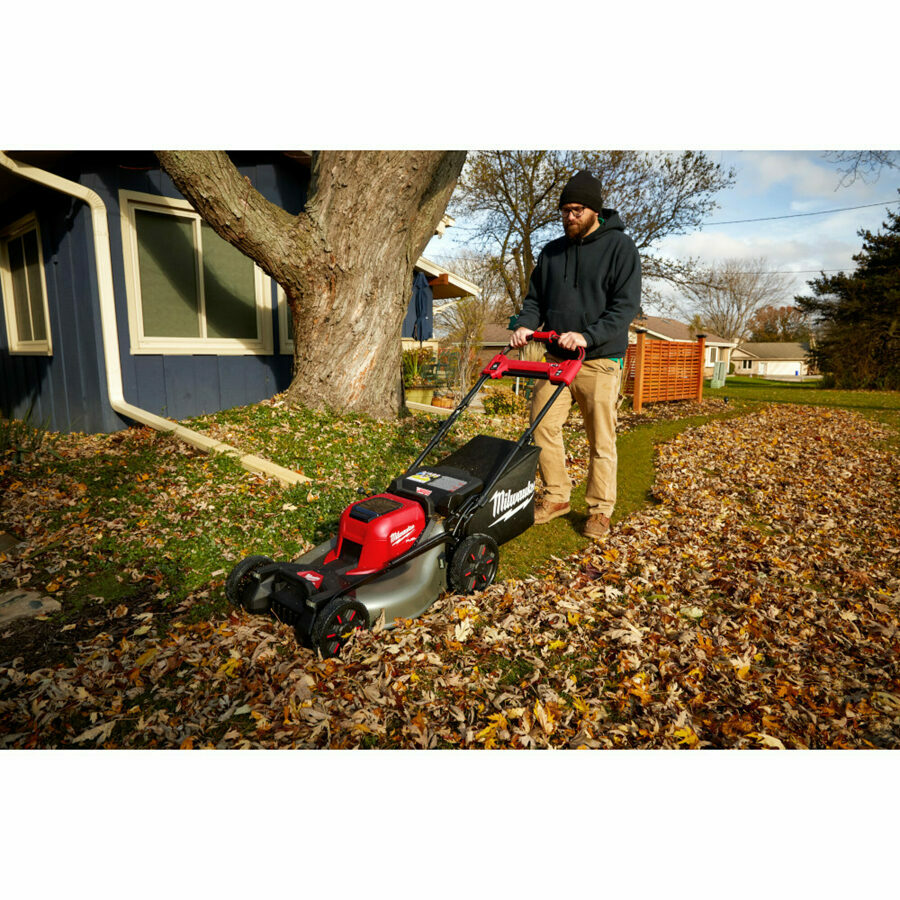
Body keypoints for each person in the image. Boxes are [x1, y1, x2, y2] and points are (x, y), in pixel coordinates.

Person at [510, 170, 641, 540]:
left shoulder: (620, 248)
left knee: (601, 439)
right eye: (565, 210)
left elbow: (624, 307)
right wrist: (525, 324)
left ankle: (600, 510)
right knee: (541, 427)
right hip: (556, 359)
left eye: (577, 210)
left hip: (599, 359)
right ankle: (556, 496)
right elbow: (535, 300)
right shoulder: (552, 252)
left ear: (594, 210)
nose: (569, 216)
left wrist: (587, 335)